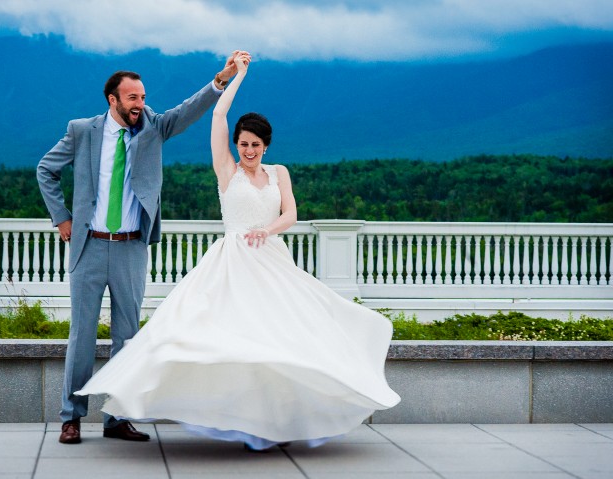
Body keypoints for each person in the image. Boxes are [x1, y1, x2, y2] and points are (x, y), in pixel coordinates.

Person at [75, 52, 400, 450]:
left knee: (280, 342)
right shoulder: (226, 169)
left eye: (255, 145)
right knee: (233, 343)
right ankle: (242, 423)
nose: (248, 150)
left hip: (272, 262)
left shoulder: (279, 173)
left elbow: (291, 213)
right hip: (232, 263)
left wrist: (268, 229)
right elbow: (216, 116)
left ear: (266, 146)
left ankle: (275, 423)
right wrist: (238, 76)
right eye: (243, 144)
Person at [37, 52, 243, 445]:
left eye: (143, 96)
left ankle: (117, 418)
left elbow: (187, 110)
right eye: (132, 98)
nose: (140, 104)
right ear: (112, 100)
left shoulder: (153, 127)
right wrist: (61, 217)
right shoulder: (82, 131)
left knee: (128, 339)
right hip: (88, 248)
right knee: (81, 336)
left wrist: (221, 79)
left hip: (132, 247)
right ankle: (71, 417)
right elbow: (45, 169)